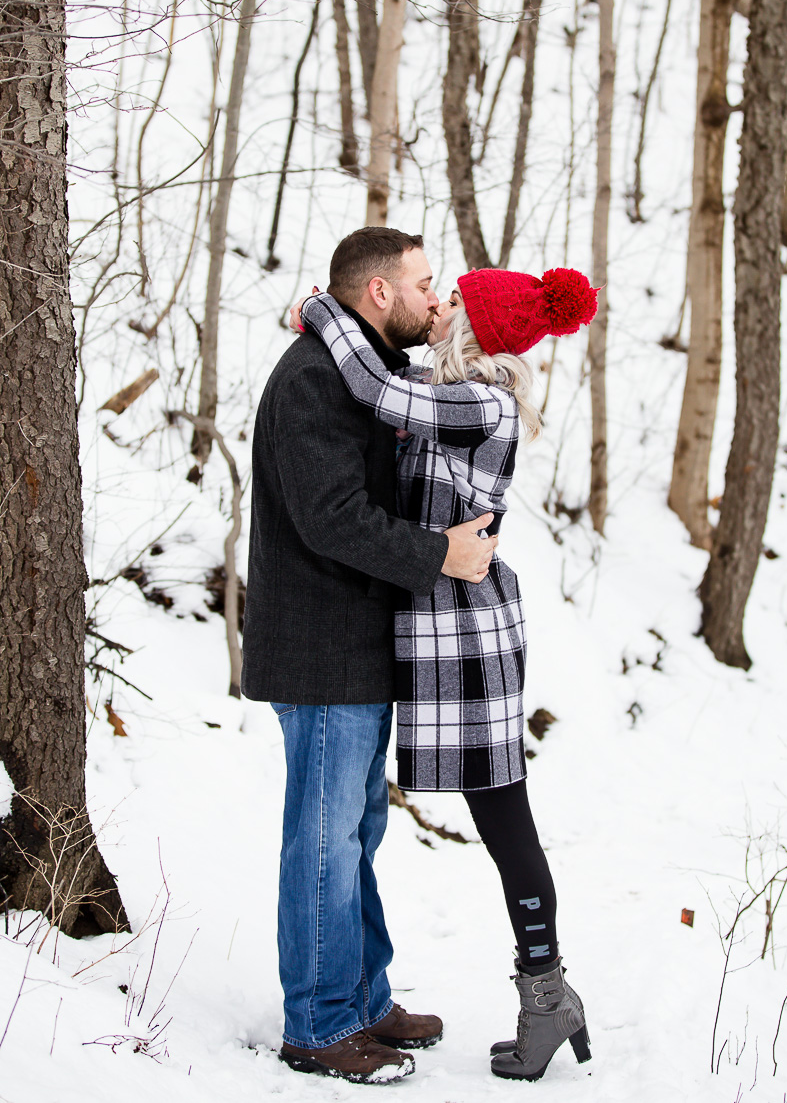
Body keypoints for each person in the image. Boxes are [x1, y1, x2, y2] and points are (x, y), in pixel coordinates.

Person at [296, 262, 598, 1083]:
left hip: (469, 634)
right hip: (450, 622)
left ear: (477, 326)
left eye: (452, 298)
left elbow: (379, 390)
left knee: (504, 819)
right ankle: (549, 997)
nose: (439, 304)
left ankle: (547, 998)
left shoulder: (483, 399)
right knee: (499, 814)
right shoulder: (449, 385)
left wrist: (326, 311)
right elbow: (391, 383)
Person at [240, 227, 499, 1085]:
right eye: (425, 284)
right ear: (379, 293)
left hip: (357, 644)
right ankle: (317, 1025)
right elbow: (332, 520)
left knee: (357, 833)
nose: (438, 298)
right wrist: (440, 555)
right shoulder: (316, 380)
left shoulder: (368, 375)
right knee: (322, 839)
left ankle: (362, 995)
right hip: (320, 649)